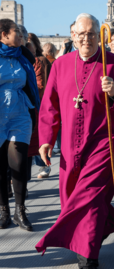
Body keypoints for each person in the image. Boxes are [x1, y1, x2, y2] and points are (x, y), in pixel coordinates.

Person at [34, 13, 114, 268]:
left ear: (100, 36)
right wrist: (46, 139)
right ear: (73, 36)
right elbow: (50, 107)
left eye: (91, 34)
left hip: (104, 147)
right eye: (81, 34)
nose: (86, 39)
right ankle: (95, 235)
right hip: (70, 149)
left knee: (90, 199)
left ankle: (88, 259)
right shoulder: (60, 65)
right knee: (73, 198)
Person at [0, 19, 40, 231]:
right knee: (0, 166)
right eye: (16, 31)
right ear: (4, 34)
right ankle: (3, 209)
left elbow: (31, 86)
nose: (21, 34)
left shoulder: (24, 55)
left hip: (20, 114)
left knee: (19, 162)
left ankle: (20, 211)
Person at [28, 33, 53, 179]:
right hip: (31, 102)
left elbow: (42, 84)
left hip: (40, 102)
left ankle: (43, 164)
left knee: (38, 135)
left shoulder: (40, 61)